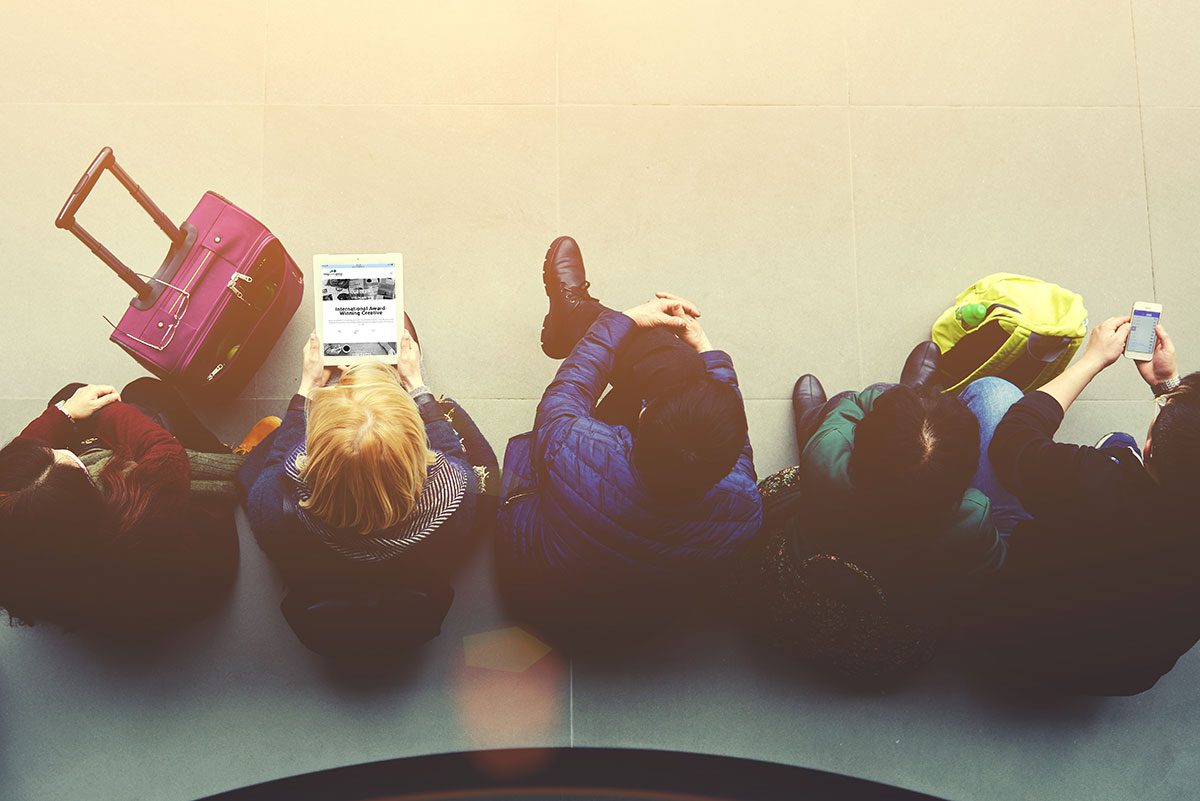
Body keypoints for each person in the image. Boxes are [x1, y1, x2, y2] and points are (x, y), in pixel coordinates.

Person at [494, 235, 763, 633]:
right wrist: (704, 351)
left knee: (657, 356)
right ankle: (575, 316)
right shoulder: (744, 507)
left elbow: (571, 389)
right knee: (683, 370)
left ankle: (577, 314)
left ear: (639, 417)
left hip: (538, 593)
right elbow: (733, 437)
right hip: (643, 622)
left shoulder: (572, 449)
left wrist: (626, 320)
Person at [960, 317, 1200, 695]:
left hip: (1004, 638)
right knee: (1119, 445)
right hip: (1117, 676)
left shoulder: (1094, 481)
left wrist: (1092, 360)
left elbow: (1013, 438)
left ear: (1151, 448)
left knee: (993, 395)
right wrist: (1166, 388)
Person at [238, 318, 496, 656]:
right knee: (488, 476)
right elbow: (451, 455)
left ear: (314, 448)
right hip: (411, 582)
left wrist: (306, 392)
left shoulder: (273, 506)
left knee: (250, 468)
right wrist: (418, 389)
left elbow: (271, 468)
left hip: (324, 581)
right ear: (418, 444)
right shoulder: (458, 492)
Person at [749, 345, 1003, 678]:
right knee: (994, 393)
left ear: (862, 445)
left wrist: (894, 407)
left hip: (795, 606)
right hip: (886, 647)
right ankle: (910, 398)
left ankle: (893, 399)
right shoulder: (972, 517)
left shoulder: (826, 460)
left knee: (846, 404)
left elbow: (851, 403)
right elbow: (990, 569)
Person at [0, 378, 247, 634]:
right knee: (143, 391)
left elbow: (18, 462)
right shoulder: (138, 507)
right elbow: (165, 450)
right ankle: (225, 453)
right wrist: (104, 410)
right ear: (84, 500)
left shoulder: (18, 540)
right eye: (66, 459)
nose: (56, 450)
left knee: (71, 401)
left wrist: (65, 413)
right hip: (193, 584)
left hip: (97, 605)